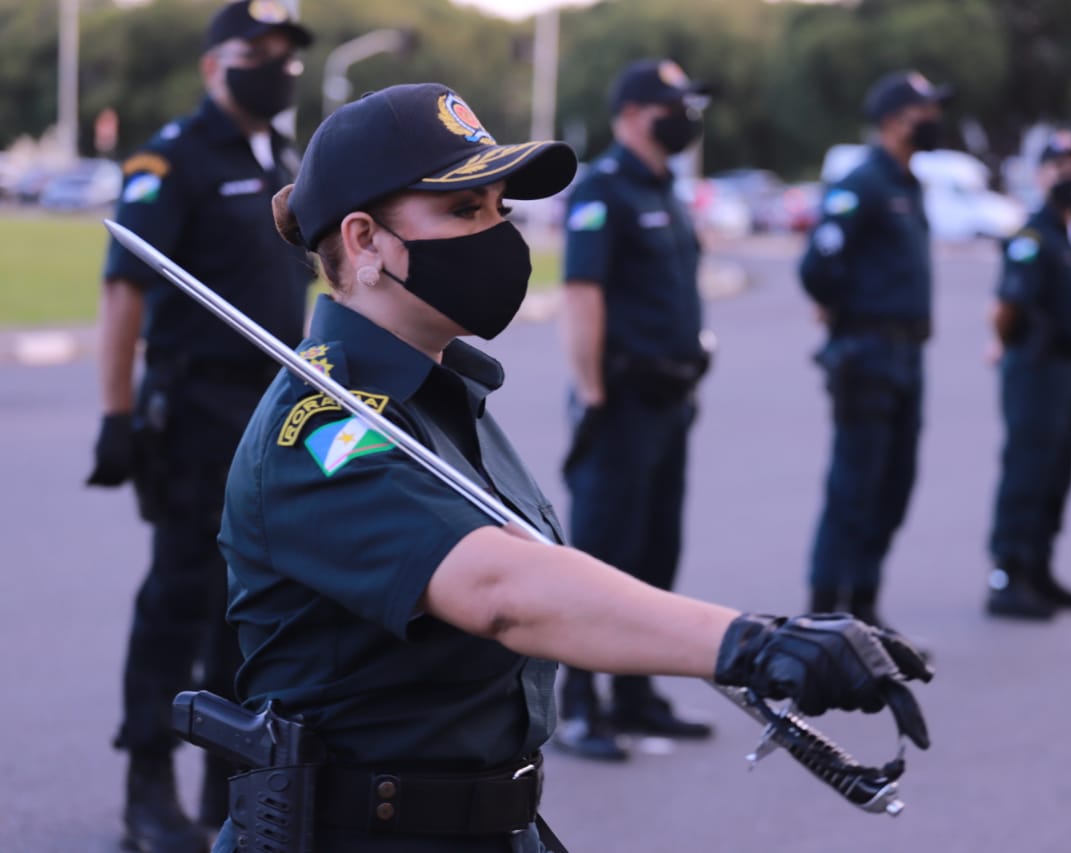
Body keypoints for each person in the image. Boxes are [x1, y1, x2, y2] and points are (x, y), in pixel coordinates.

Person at [210, 81, 932, 853]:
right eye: (463, 211)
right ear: (364, 241)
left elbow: (546, 578)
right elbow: (502, 590)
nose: (497, 235)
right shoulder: (322, 428)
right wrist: (749, 644)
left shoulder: (440, 396)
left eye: (499, 211)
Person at [85, 2, 314, 849]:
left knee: (248, 610)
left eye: (289, 53)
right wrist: (115, 414)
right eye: (260, 51)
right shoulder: (172, 158)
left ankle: (235, 793)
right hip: (194, 411)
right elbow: (124, 292)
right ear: (216, 62)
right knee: (178, 603)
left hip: (272, 415)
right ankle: (148, 785)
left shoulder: (281, 157)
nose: (278, 66)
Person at [555, 59, 715, 761]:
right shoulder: (604, 190)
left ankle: (637, 692)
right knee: (601, 557)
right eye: (667, 106)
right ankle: (580, 703)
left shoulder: (667, 190)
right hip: (619, 398)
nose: (681, 117)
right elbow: (582, 295)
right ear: (629, 114)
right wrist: (592, 393)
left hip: (669, 401)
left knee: (656, 551)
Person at [798, 70, 950, 631]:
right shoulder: (861, 183)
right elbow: (817, 264)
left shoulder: (908, 183)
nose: (934, 120)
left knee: (894, 484)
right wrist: (846, 312)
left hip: (907, 355)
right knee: (854, 486)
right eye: (923, 110)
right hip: (866, 355)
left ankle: (862, 607)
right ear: (892, 121)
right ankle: (824, 615)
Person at [985, 130, 1071, 619]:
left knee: (1058, 472)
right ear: (1040, 175)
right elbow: (1006, 306)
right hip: (1035, 369)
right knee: (1027, 471)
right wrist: (1006, 347)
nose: (1069, 172)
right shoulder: (1032, 235)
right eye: (1058, 164)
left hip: (1069, 371)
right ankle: (1007, 576)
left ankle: (1039, 568)